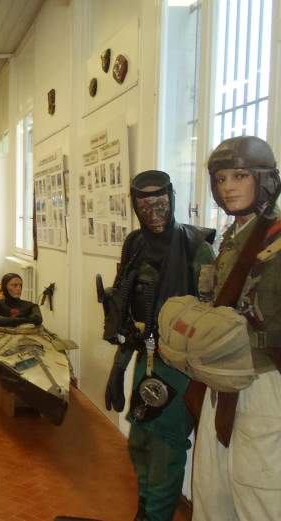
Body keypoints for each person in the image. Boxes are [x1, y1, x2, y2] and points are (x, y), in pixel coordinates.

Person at [102, 170, 215, 521]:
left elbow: (213, 317)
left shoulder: (198, 248)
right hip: (145, 359)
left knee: (164, 447)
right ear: (135, 207)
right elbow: (124, 313)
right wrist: (118, 370)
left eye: (161, 203)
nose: (154, 213)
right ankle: (146, 510)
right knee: (140, 440)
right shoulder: (135, 246)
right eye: (145, 205)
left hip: (181, 365)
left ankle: (155, 517)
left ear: (173, 199)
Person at [190, 136, 281, 521]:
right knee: (211, 492)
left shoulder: (274, 240)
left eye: (240, 175)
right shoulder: (232, 239)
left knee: (259, 494)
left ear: (265, 181)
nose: (228, 186)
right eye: (221, 177)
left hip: (262, 383)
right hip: (221, 380)